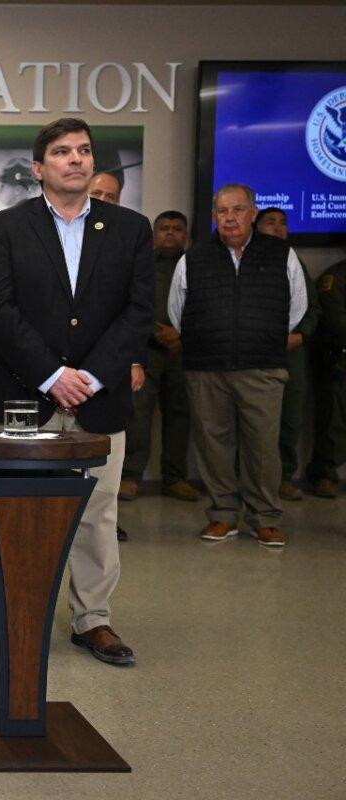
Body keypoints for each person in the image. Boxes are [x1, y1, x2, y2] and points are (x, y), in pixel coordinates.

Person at [0, 117, 154, 666]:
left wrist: (91, 376)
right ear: (39, 168)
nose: (75, 159)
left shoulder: (130, 228)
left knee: (98, 514)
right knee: (22, 512)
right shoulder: (7, 228)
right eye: (61, 152)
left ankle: (93, 621)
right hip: (27, 398)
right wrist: (54, 375)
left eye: (82, 150)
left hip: (101, 399)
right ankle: (22, 614)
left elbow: (138, 311)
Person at [167, 184, 308, 548]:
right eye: (222, 211)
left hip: (262, 367)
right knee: (213, 445)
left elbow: (297, 309)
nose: (229, 218)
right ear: (214, 217)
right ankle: (223, 516)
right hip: (206, 367)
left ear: (253, 213)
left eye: (238, 210)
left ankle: (265, 518)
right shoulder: (194, 258)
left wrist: (260, 336)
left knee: (262, 446)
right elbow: (177, 312)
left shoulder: (282, 255)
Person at [119, 211, 200, 502]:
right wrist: (158, 332)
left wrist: (181, 335)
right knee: (138, 415)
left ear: (186, 235)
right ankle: (130, 475)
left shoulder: (197, 265)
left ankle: (175, 478)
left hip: (185, 351)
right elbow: (130, 303)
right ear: (154, 234)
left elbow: (207, 306)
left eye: (177, 228)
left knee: (180, 415)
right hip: (147, 350)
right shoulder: (140, 264)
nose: (170, 233)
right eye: (163, 228)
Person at [255, 207, 321, 501]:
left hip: (290, 351)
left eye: (283, 223)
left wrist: (300, 334)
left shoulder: (294, 261)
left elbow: (313, 307)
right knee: (254, 421)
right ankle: (251, 482)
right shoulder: (249, 259)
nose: (278, 228)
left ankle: (283, 478)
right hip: (255, 352)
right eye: (270, 222)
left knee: (290, 418)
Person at [306, 258, 346, 497]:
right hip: (338, 360)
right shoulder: (336, 276)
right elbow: (335, 318)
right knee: (333, 421)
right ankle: (323, 474)